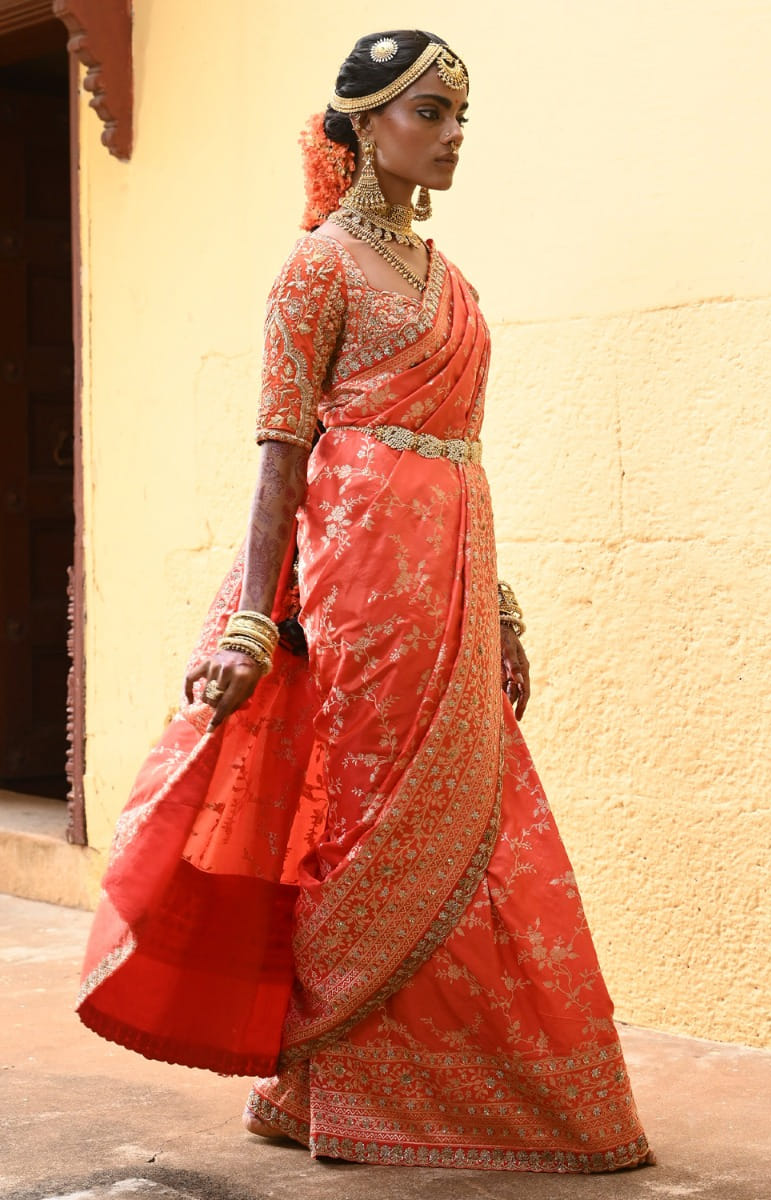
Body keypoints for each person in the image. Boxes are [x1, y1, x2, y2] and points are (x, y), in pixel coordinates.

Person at [77, 30, 654, 1174]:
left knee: (476, 822)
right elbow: (279, 458)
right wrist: (252, 621)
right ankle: (339, 1090)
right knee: (366, 828)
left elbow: (461, 456)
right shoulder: (318, 268)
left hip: (451, 582)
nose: (450, 136)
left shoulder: (450, 280)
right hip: (360, 591)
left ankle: (482, 1094)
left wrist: (498, 609)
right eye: (426, 112)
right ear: (362, 124)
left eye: (458, 117)